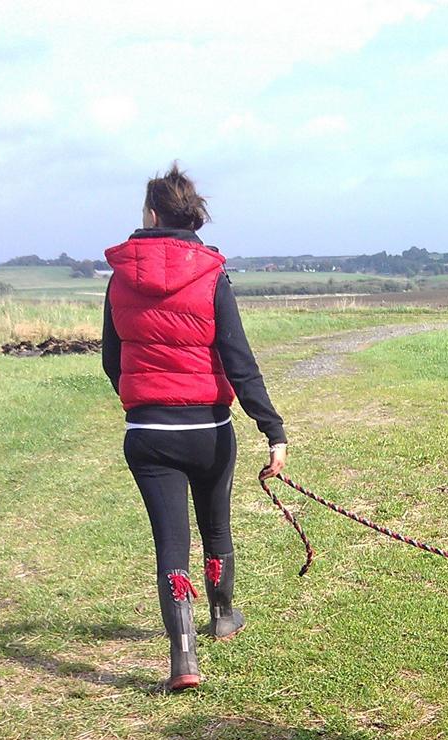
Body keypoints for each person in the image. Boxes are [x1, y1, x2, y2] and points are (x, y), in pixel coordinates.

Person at [102, 163, 287, 690]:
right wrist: (272, 429)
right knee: (216, 526)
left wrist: (142, 403)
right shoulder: (211, 274)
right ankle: (224, 615)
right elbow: (238, 359)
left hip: (148, 435)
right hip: (209, 429)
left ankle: (183, 659)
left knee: (169, 545)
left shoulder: (120, 278)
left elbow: (112, 360)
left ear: (153, 213)